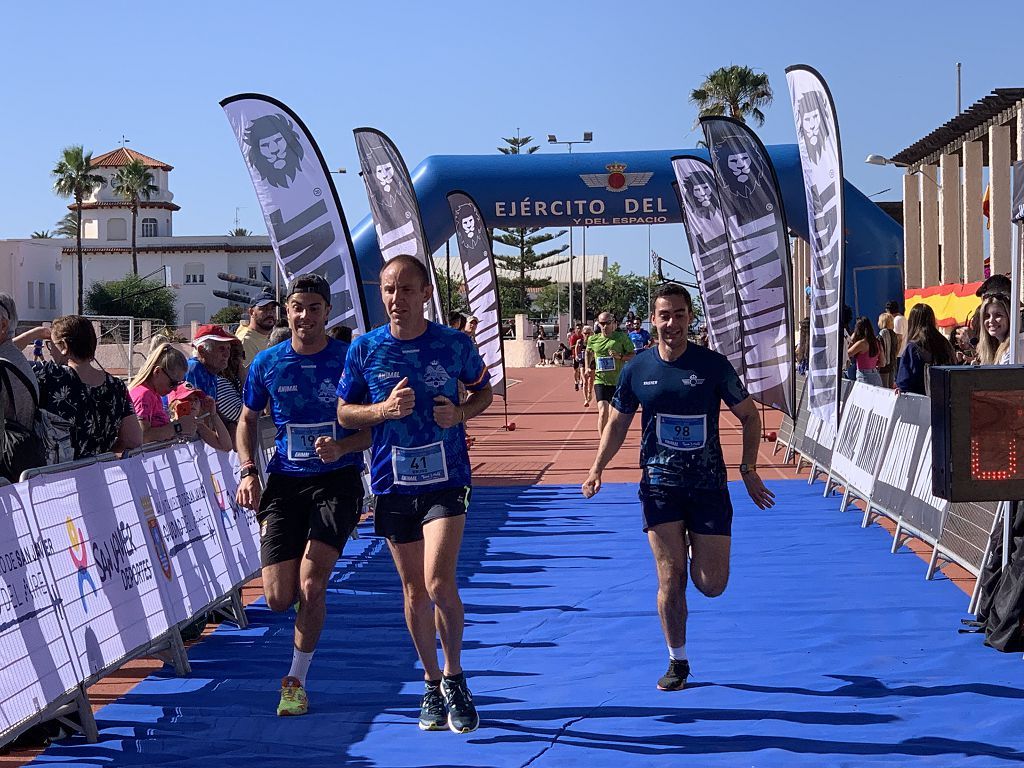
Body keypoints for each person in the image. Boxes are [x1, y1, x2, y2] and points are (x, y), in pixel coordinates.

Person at [581, 283, 775, 691]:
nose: (672, 323)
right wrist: (597, 468)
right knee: (670, 578)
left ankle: (696, 548)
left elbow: (750, 417)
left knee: (711, 585)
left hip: (707, 486)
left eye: (680, 315)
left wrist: (749, 467)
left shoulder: (714, 365)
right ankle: (677, 661)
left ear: (691, 318)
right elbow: (616, 424)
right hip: (659, 486)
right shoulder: (637, 369)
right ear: (653, 320)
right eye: (664, 315)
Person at [336, 254, 493, 734]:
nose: (396, 299)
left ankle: (455, 677)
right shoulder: (364, 349)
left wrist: (461, 415)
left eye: (407, 289)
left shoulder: (453, 344)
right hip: (392, 483)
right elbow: (344, 413)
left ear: (426, 293)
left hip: (446, 479)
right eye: (388, 289)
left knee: (438, 583)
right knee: (412, 591)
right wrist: (382, 410)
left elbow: (484, 392)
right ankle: (429, 682)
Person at [235, 273, 370, 717]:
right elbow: (246, 420)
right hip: (286, 482)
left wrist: (343, 446)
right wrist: (249, 470)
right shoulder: (268, 362)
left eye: (314, 308)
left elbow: (373, 426)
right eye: (298, 307)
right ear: (286, 311)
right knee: (277, 598)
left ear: (327, 312)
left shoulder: (349, 358)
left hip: (338, 480)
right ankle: (304, 610)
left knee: (312, 585)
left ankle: (295, 680)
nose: (305, 316)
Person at [30, 316, 141, 459]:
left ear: (64, 346)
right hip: (101, 473)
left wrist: (33, 334)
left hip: (59, 476)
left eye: (51, 345)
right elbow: (133, 439)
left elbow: (5, 359)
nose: (50, 352)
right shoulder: (116, 386)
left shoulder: (49, 375)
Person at [129, 342, 198, 444]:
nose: (175, 388)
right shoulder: (144, 395)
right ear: (157, 372)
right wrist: (178, 427)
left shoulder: (154, 394)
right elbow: (142, 437)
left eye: (179, 383)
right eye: (173, 383)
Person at [585, 311, 635, 436]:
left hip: (617, 381)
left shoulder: (621, 338)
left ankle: (610, 437)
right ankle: (603, 440)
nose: (605, 326)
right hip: (600, 380)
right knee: (602, 411)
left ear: (613, 323)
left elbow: (632, 355)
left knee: (614, 416)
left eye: (608, 323)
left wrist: (620, 356)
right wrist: (587, 367)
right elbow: (588, 352)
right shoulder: (593, 339)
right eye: (602, 324)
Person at [894, 304, 956, 395]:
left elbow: (904, 381)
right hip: (944, 397)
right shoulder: (945, 343)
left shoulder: (912, 347)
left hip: (920, 400)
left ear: (912, 322)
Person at [186, 324, 239, 403]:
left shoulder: (211, 373)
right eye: (221, 349)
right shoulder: (194, 368)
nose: (227, 354)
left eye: (228, 348)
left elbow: (212, 410)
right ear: (202, 350)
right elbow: (197, 412)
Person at [236, 290, 279, 374]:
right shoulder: (246, 341)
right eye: (264, 309)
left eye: (273, 309)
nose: (270, 313)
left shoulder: (263, 336)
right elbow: (246, 377)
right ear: (252, 312)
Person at [977, 292, 1022, 365]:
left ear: (1010, 318)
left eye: (998, 315)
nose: (991, 320)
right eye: (987, 316)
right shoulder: (992, 348)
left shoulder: (1015, 348)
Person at [847, 317, 883, 387]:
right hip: (876, 375)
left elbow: (846, 354)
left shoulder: (862, 343)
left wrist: (852, 339)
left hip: (864, 376)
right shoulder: (877, 342)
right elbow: (883, 363)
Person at [876, 313, 900, 389]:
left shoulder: (881, 335)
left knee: (883, 388)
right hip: (892, 364)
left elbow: (879, 350)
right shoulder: (894, 334)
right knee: (890, 387)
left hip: (884, 366)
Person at [579, 326, 595, 407]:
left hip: (592, 362)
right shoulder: (580, 342)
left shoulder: (594, 342)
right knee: (585, 380)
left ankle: (590, 392)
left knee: (591, 380)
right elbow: (576, 351)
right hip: (582, 362)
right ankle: (586, 399)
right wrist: (577, 358)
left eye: (588, 333)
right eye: (585, 333)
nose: (587, 335)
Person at [567, 322, 584, 392]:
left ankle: (582, 381)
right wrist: (578, 345)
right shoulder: (573, 337)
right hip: (576, 355)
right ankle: (576, 382)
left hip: (583, 355)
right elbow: (571, 347)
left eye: (580, 328)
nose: (579, 330)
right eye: (577, 329)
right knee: (576, 370)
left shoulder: (583, 336)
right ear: (575, 329)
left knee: (582, 369)